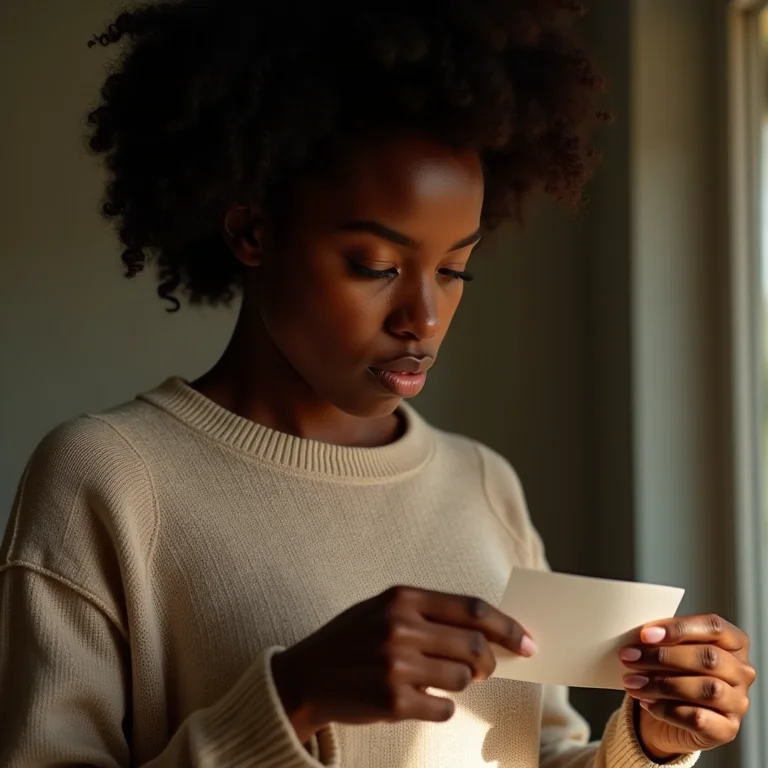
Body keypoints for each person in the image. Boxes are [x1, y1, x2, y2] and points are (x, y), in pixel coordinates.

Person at [0, 1, 755, 766]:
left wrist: (652, 743)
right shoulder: (110, 479)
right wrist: (293, 698)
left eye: (456, 269)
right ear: (252, 231)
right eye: (377, 267)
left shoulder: (484, 484)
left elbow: (533, 751)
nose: (424, 317)